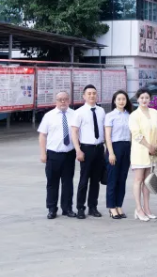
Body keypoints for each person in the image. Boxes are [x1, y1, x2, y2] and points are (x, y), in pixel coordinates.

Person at [37, 91, 77, 219]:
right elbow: (42, 135)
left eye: (65, 99)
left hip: (69, 154)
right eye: (60, 99)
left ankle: (67, 208)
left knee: (68, 183)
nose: (63, 102)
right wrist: (43, 153)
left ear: (69, 100)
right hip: (53, 154)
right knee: (52, 183)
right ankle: (52, 209)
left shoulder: (75, 115)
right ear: (56, 101)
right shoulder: (49, 116)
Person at [70, 84, 107, 219]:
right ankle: (80, 208)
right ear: (84, 96)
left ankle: (93, 207)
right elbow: (74, 132)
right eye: (89, 93)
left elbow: (104, 130)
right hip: (86, 148)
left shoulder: (101, 111)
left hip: (99, 148)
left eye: (94, 93)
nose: (92, 96)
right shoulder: (79, 112)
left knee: (96, 180)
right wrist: (78, 150)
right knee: (84, 179)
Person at [128, 89, 157, 222]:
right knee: (138, 179)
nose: (144, 100)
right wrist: (149, 146)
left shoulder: (155, 112)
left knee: (148, 181)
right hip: (140, 151)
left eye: (147, 97)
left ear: (150, 99)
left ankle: (147, 208)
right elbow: (136, 134)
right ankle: (138, 208)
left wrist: (156, 145)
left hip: (153, 152)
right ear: (138, 99)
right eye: (142, 98)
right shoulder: (134, 115)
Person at [105, 90, 133, 220]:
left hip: (127, 147)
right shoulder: (110, 116)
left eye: (124, 99)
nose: (121, 101)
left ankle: (119, 205)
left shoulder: (129, 115)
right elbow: (108, 136)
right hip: (114, 148)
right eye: (119, 99)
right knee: (113, 179)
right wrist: (111, 153)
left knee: (122, 179)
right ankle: (111, 207)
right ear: (114, 101)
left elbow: (132, 135)